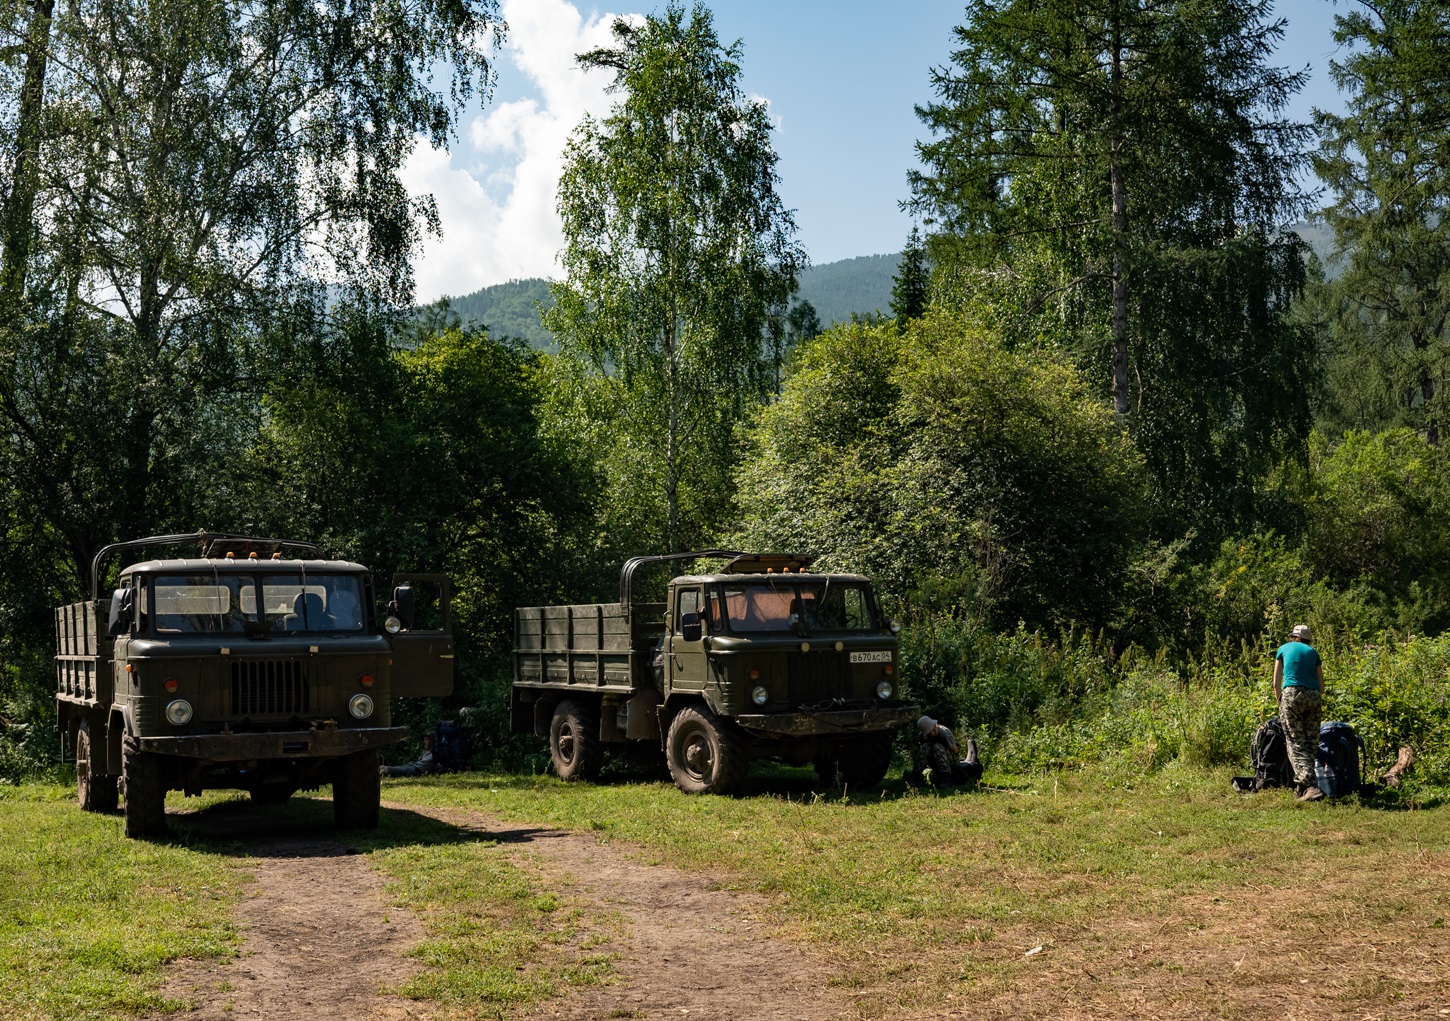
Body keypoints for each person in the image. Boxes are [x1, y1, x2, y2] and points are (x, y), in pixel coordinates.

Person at [1275, 623, 1325, 802]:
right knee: (1310, 741)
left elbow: (1276, 681)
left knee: (1295, 741)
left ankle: (1311, 786)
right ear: (1308, 640)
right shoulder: (1313, 653)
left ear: (1294, 637)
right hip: (1314, 696)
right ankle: (1301, 787)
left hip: (1292, 694)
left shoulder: (1284, 648)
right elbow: (1322, 685)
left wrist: (1280, 699)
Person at [908, 715, 983, 788]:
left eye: (934, 727)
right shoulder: (922, 737)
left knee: (937, 747)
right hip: (935, 761)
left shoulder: (944, 732)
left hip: (951, 761)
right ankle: (916, 777)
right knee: (925, 747)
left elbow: (955, 751)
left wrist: (941, 748)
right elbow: (922, 752)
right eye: (931, 731)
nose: (934, 730)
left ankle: (946, 779)